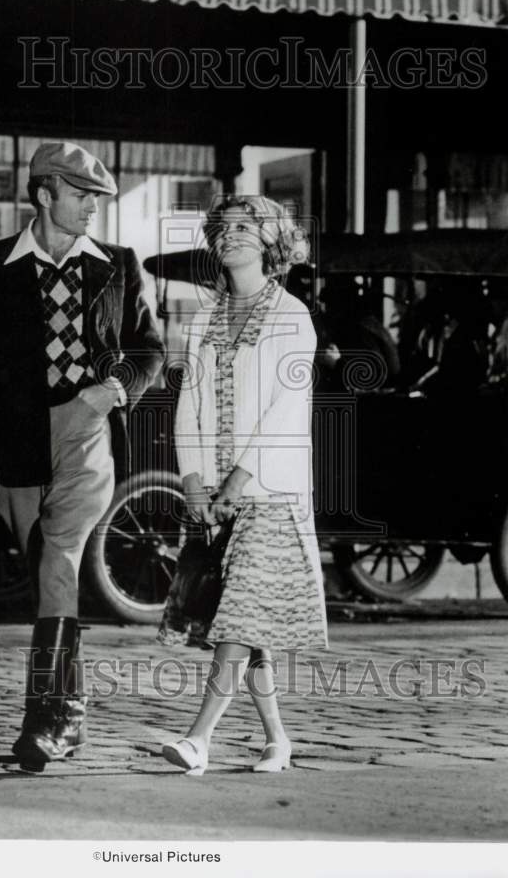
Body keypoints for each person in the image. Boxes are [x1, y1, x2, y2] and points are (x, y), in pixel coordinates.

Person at [0, 141, 164, 772]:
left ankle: (45, 719)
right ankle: (68, 716)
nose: (93, 209)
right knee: (46, 569)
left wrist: (112, 390)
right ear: (44, 194)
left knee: (60, 560)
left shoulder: (120, 265)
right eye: (81, 196)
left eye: (99, 198)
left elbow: (150, 350)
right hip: (16, 439)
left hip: (87, 434)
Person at [158, 195, 328, 775]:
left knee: (240, 614)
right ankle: (278, 739)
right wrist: (194, 483)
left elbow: (286, 410)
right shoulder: (203, 317)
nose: (228, 236)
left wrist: (235, 481)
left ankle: (198, 738)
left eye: (243, 227)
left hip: (271, 493)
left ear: (270, 240)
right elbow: (190, 405)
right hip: (215, 494)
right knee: (245, 620)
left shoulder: (292, 316)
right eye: (221, 228)